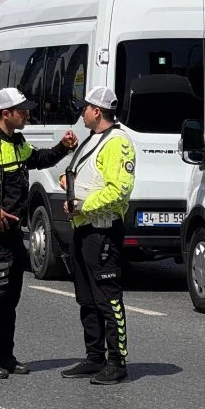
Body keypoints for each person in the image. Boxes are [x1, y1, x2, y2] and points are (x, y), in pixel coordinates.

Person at [0, 87, 77, 379]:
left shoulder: (18, 141)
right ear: (5, 113)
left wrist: (64, 147)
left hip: (13, 232)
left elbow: (39, 159)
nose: (27, 114)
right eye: (21, 110)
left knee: (10, 296)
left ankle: (3, 355)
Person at [59, 87, 134, 386]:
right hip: (83, 228)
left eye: (85, 108)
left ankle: (117, 362)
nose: (82, 112)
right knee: (86, 299)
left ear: (97, 112)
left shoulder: (118, 142)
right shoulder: (94, 140)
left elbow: (119, 189)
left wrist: (82, 204)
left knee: (108, 299)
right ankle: (94, 357)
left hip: (102, 230)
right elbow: (82, 176)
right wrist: (69, 188)